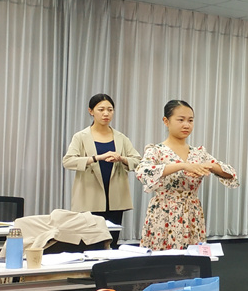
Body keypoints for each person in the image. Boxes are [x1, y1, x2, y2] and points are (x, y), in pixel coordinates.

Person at [135, 100, 238, 250]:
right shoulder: (156, 150)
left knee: (191, 257)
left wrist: (209, 166)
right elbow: (142, 172)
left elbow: (231, 174)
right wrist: (182, 165)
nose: (186, 125)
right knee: (163, 257)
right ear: (166, 121)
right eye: (181, 120)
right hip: (163, 212)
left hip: (192, 213)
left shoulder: (198, 153)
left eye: (190, 120)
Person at [62, 93, 142, 246]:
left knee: (111, 243)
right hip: (88, 198)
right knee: (89, 244)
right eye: (101, 109)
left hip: (115, 199)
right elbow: (68, 161)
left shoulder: (121, 137)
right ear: (91, 111)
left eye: (110, 110)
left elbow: (138, 161)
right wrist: (96, 158)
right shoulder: (81, 137)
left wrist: (121, 158)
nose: (106, 113)